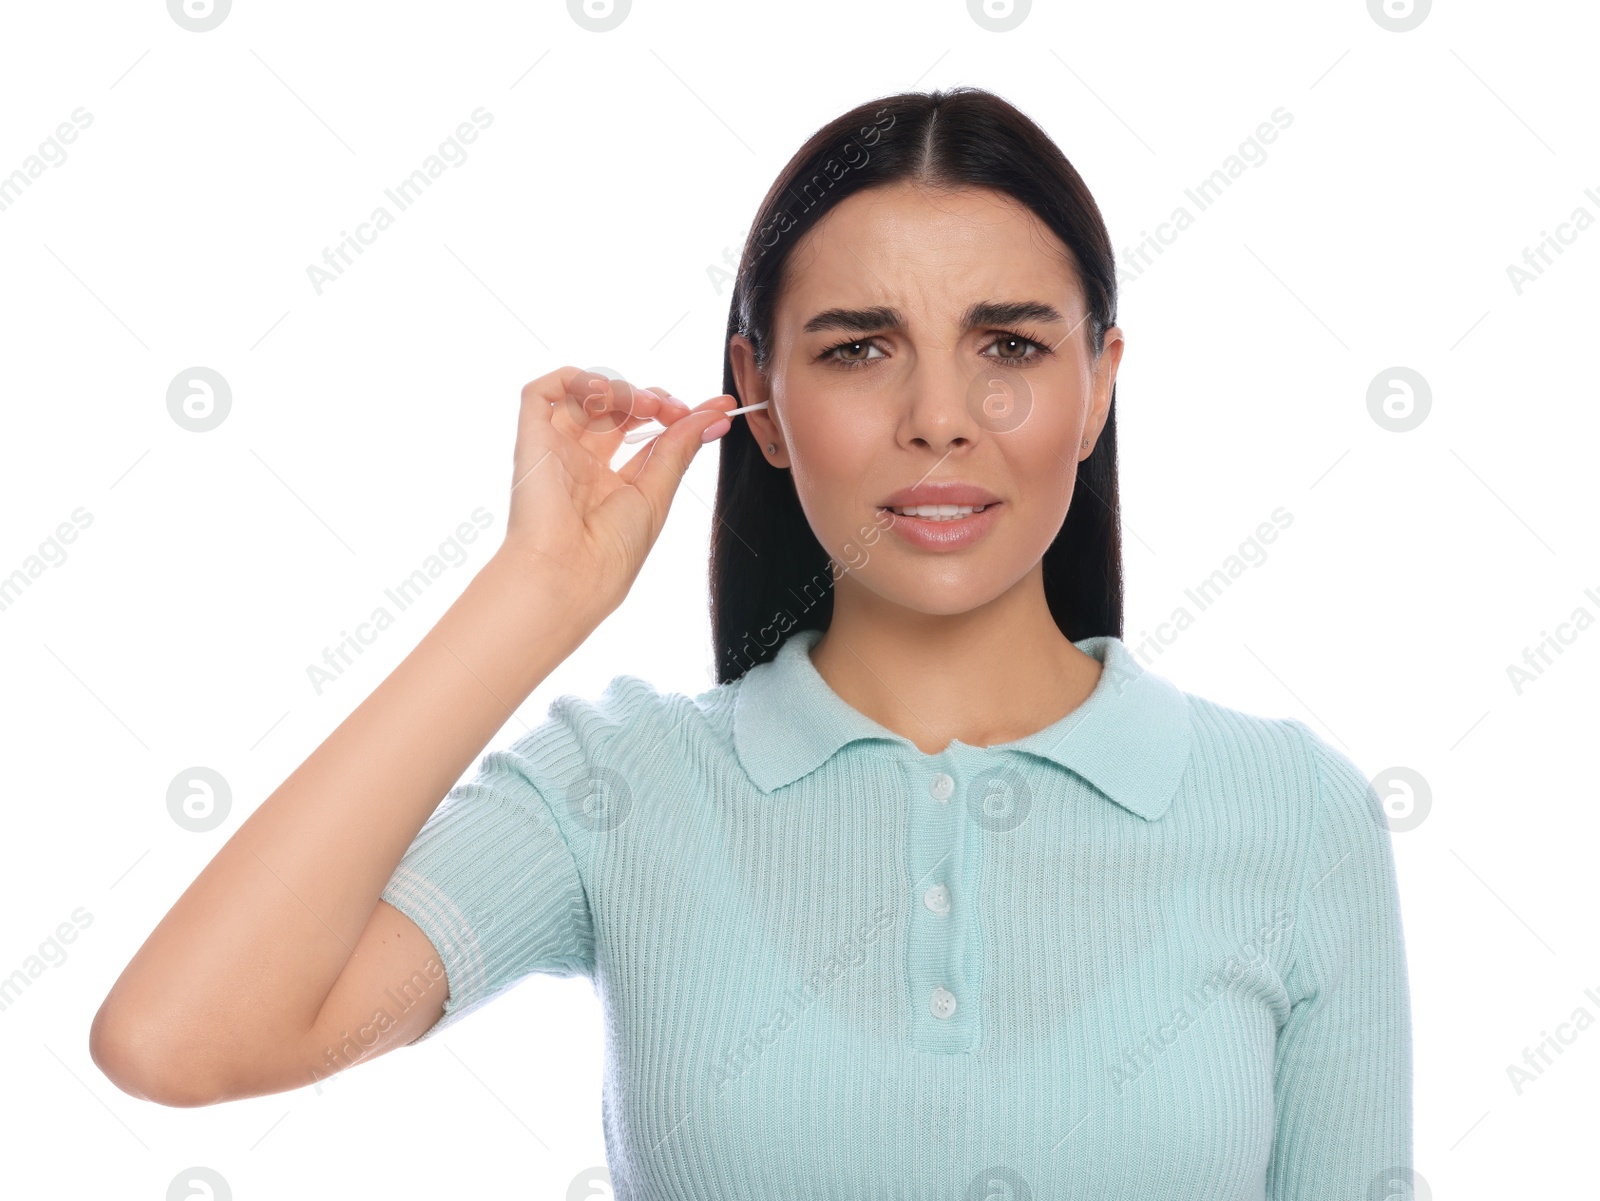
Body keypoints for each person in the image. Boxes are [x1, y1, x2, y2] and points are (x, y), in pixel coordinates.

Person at [90, 87, 1413, 1199]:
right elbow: (177, 1037)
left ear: (1099, 383)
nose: (939, 416)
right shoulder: (621, 788)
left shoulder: (1294, 815)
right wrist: (540, 590)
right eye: (859, 350)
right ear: (763, 400)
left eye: (1008, 342)